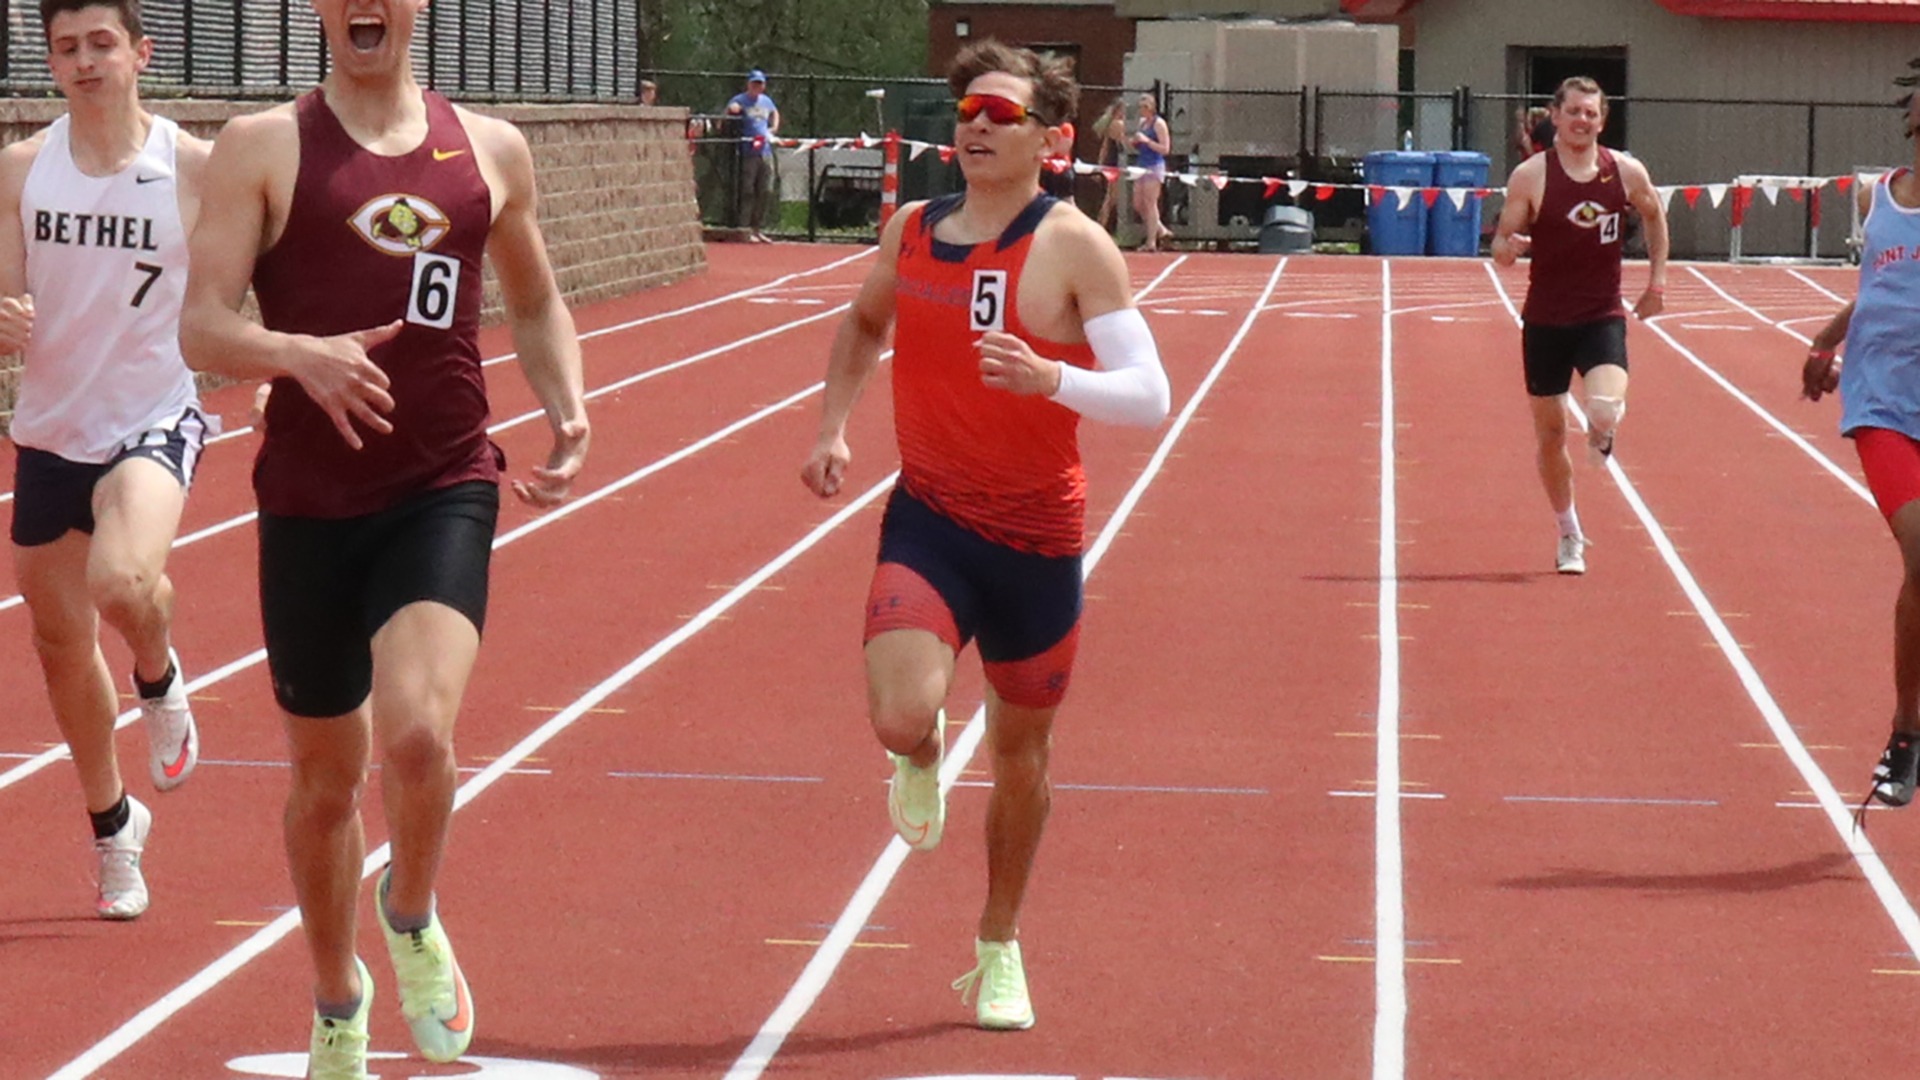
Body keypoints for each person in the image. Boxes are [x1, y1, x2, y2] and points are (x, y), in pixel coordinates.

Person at [178, 0, 590, 1075]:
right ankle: (335, 995)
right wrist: (296, 355)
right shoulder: (262, 146)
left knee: (415, 734)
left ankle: (410, 914)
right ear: (323, 10)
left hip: (441, 482)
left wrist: (568, 403)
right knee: (325, 779)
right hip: (310, 503)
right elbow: (201, 322)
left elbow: (536, 299)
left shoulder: (488, 148)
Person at [799, 38, 1170, 1031]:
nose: (974, 125)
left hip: (1037, 541)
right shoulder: (911, 230)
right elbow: (864, 323)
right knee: (894, 715)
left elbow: (1150, 396)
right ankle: (918, 754)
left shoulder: (1074, 246)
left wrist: (1055, 378)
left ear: (1051, 139)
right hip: (930, 520)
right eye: (967, 110)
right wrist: (832, 424)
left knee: (1021, 756)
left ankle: (998, 944)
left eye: (1000, 115)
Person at [1, 0, 210, 921]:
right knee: (59, 645)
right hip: (50, 428)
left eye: (101, 44)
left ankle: (159, 673)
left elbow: (243, 288)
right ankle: (113, 828)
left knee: (124, 582)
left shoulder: (192, 169)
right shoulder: (20, 169)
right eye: (66, 48)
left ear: (140, 52)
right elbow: (4, 295)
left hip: (151, 417)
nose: (84, 62)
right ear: (51, 62)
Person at [1490, 75, 1668, 575]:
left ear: (1602, 120)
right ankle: (1570, 531)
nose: (1582, 120)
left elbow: (1655, 216)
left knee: (1606, 405)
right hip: (1545, 320)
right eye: (1574, 112)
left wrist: (1657, 283)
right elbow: (1501, 244)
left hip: (1600, 315)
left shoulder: (1625, 171)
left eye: (1591, 113)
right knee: (1549, 434)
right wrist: (1510, 250)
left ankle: (1603, 428)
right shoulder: (1530, 176)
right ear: (1556, 115)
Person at [1803, 80, 1920, 816]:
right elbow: (1880, 285)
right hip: (1881, 403)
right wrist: (1826, 337)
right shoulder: (1881, 196)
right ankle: (1907, 733)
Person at [724, 69, 780, 243]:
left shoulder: (766, 101)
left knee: (765, 190)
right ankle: (744, 228)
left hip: (765, 151)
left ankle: (757, 228)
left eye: (760, 83)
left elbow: (775, 112)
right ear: (748, 84)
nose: (757, 86)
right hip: (748, 152)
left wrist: (774, 127)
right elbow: (725, 115)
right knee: (748, 190)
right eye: (754, 83)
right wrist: (731, 110)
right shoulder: (740, 100)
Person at [1129, 92, 1173, 252]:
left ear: (1150, 108)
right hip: (1142, 165)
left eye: (1143, 107)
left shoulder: (1159, 123)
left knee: (1150, 202)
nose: (1141, 111)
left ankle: (1151, 241)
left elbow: (1165, 149)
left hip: (1154, 165)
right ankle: (1160, 230)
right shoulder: (1142, 123)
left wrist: (1147, 141)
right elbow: (1140, 145)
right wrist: (1136, 143)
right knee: (1138, 203)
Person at [1092, 98, 1126, 232]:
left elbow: (1104, 148)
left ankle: (1101, 224)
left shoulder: (1111, 124)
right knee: (1111, 198)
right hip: (1116, 161)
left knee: (1110, 197)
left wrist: (1100, 164)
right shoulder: (1118, 124)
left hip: (1111, 160)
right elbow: (1123, 143)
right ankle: (1101, 226)